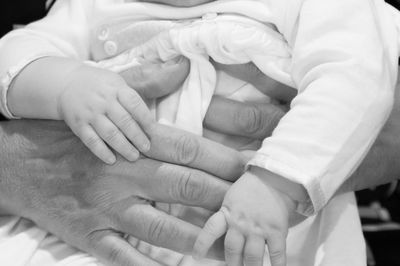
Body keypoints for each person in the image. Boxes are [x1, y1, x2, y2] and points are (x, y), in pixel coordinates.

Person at [1, 0, 400, 265]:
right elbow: (18, 49)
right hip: (93, 235)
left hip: (263, 233)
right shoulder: (95, 6)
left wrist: (276, 183)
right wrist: (64, 81)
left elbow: (356, 74)